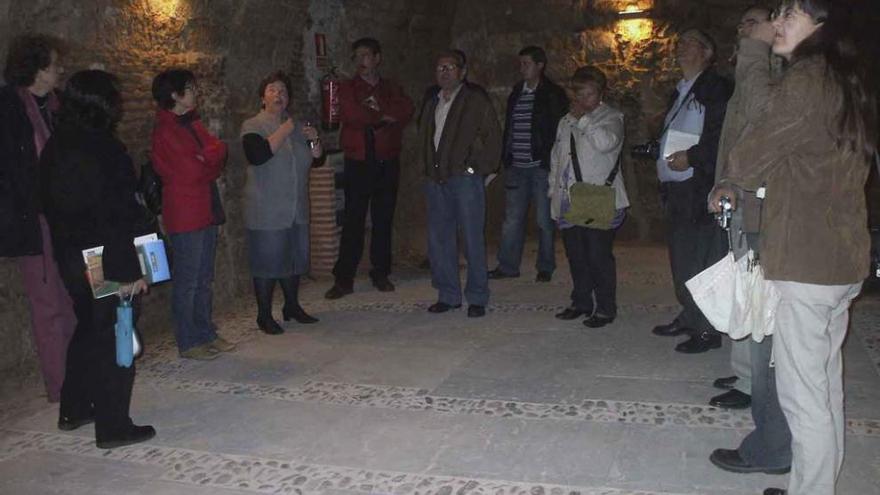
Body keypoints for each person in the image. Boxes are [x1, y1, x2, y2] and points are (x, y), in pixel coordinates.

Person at [712, 1, 877, 493]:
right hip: (839, 257)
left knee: (805, 398)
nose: (777, 23)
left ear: (821, 26)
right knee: (824, 389)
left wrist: (756, 48)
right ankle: (815, 484)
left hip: (807, 260)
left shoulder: (809, 78)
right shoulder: (849, 80)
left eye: (791, 15)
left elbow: (757, 138)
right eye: (777, 14)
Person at [40, 69, 155, 449]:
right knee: (117, 337)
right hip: (108, 258)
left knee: (90, 328)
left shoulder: (56, 146)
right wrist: (132, 271)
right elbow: (119, 214)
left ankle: (73, 408)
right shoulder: (103, 149)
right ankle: (113, 426)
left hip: (75, 258)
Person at [707, 4, 793, 477]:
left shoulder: (780, 76)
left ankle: (775, 446)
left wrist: (756, 53)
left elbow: (763, 129)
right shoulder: (759, 75)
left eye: (754, 22)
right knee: (760, 331)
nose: (746, 30)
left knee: (771, 342)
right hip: (750, 212)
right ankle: (775, 439)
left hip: (773, 222)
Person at [0, 34, 77, 403]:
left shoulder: (57, 107)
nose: (58, 69)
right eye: (52, 64)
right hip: (34, 220)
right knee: (48, 305)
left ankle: (82, 374)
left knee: (75, 298)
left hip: (66, 217)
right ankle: (62, 387)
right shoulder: (9, 109)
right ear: (35, 68)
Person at [649, 28, 732, 353]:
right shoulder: (681, 90)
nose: (680, 47)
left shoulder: (716, 88)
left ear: (708, 53)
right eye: (679, 42)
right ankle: (690, 314)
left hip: (699, 186)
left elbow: (721, 135)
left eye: (690, 43)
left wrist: (693, 157)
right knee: (682, 258)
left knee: (702, 259)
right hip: (679, 188)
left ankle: (707, 329)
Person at [151, 69, 234, 361]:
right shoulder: (165, 130)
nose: (195, 92)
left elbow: (218, 153)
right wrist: (209, 160)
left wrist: (210, 158)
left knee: (203, 277)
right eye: (190, 88)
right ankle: (188, 340)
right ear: (175, 95)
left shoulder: (192, 123)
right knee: (187, 281)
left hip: (204, 207)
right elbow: (192, 170)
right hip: (185, 212)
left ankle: (206, 332)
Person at [324, 38, 414, 300]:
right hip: (359, 161)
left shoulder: (391, 87)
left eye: (366, 55)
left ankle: (380, 272)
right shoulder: (348, 87)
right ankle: (344, 278)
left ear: (377, 58)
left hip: (387, 160)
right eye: (357, 56)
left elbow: (406, 108)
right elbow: (352, 114)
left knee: (383, 219)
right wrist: (382, 116)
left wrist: (378, 111)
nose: (361, 61)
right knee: (353, 219)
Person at [417, 49, 502, 318]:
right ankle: (448, 294)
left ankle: (477, 296)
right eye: (440, 67)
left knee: (471, 238)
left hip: (464, 179)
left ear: (462, 72)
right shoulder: (432, 101)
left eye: (450, 67)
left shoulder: (475, 100)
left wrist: (478, 169)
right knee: (440, 239)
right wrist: (427, 168)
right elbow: (425, 138)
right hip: (437, 179)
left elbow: (493, 138)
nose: (444, 72)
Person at [241, 71, 322, 334]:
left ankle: (292, 306)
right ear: (262, 97)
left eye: (284, 91)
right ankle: (263, 315)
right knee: (267, 263)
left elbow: (316, 159)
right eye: (273, 90)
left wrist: (314, 140)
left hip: (296, 208)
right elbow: (258, 155)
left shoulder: (297, 127)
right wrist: (284, 129)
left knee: (294, 259)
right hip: (267, 208)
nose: (279, 95)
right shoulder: (253, 125)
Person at [549, 66, 628, 327]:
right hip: (569, 196)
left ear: (600, 94)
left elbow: (606, 143)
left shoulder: (611, 116)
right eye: (579, 93)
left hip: (597, 196)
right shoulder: (565, 120)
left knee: (598, 255)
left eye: (589, 94)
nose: (583, 100)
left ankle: (606, 307)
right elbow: (557, 158)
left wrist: (584, 119)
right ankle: (581, 301)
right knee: (576, 255)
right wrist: (552, 189)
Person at [489, 46, 568, 283]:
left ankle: (545, 265)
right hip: (517, 166)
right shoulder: (517, 92)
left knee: (545, 220)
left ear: (540, 65)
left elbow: (557, 129)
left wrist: (551, 161)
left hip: (540, 166)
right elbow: (511, 127)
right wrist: (506, 157)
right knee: (512, 219)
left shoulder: (552, 94)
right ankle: (508, 265)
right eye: (521, 63)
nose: (522, 68)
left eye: (526, 63)